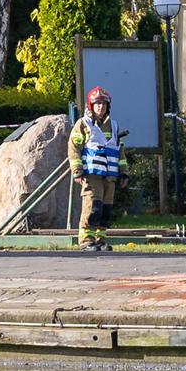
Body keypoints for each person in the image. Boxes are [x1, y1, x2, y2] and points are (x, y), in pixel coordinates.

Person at [69, 86, 129, 251]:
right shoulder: (83, 124)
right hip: (92, 174)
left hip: (110, 175)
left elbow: (119, 151)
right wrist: (77, 171)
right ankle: (86, 240)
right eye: (97, 103)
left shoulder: (114, 126)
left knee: (106, 210)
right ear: (91, 105)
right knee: (92, 206)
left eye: (103, 103)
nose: (100, 106)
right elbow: (74, 148)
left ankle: (100, 240)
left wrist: (124, 172)